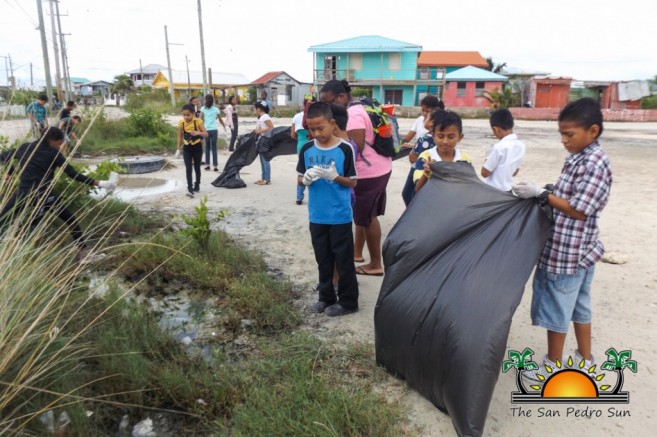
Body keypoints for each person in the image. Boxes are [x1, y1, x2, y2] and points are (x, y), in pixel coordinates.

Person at [513, 98, 612, 381]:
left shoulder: (594, 162)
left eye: (569, 134)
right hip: (584, 250)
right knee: (580, 305)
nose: (564, 140)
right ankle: (585, 358)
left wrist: (541, 195)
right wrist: (547, 189)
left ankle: (551, 368)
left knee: (557, 308)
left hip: (569, 252)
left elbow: (579, 210)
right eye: (562, 134)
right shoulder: (580, 156)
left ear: (592, 131)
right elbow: (570, 193)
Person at [0, 127, 116, 256]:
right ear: (51, 140)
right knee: (70, 220)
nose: (60, 147)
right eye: (59, 143)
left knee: (4, 218)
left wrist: (9, 173)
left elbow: (3, 156)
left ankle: (12, 249)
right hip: (45, 195)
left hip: (23, 194)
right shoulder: (53, 153)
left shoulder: (24, 147)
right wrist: (100, 183)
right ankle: (83, 254)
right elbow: (72, 174)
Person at [320, 79, 391, 276]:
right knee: (363, 215)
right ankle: (357, 254)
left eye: (328, 102)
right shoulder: (358, 109)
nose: (326, 107)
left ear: (341, 97)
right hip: (378, 167)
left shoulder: (353, 115)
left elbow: (354, 148)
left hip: (369, 173)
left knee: (367, 217)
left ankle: (376, 264)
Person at [297, 102, 358, 317]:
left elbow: (352, 182)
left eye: (320, 128)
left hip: (339, 216)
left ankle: (349, 302)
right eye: (311, 129)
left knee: (343, 260)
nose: (316, 133)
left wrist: (335, 177)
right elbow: (299, 177)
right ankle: (325, 298)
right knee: (322, 259)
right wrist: (304, 179)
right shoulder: (306, 149)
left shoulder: (344, 148)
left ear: (332, 124)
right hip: (317, 215)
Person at [413, 111, 472, 193]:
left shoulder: (464, 159)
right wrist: (426, 173)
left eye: (451, 137)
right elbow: (418, 189)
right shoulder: (425, 158)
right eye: (440, 136)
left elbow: (469, 187)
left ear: (460, 137)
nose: (445, 141)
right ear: (433, 136)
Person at [480, 108, 526, 192]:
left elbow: (484, 173)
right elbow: (514, 172)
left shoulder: (499, 147)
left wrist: (487, 157)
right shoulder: (521, 146)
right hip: (508, 190)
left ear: (495, 129)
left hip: (493, 191)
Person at [176, 103, 208, 198]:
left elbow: (206, 134)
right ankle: (190, 188)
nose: (186, 117)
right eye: (184, 115)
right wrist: (178, 149)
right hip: (187, 148)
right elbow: (180, 136)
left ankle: (197, 184)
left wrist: (198, 132)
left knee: (197, 167)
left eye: (188, 114)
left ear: (193, 114)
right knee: (188, 168)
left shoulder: (198, 121)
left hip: (197, 147)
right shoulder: (181, 123)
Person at [291, 101, 311, 204]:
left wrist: (300, 138)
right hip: (312, 145)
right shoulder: (315, 115)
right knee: (312, 170)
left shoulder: (296, 116)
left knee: (301, 170)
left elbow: (292, 135)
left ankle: (299, 197)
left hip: (301, 145)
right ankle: (313, 196)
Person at [200, 94, 226, 172]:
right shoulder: (216, 109)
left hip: (206, 130)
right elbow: (220, 119)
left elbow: (199, 119)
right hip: (214, 130)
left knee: (207, 147)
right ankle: (215, 166)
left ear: (205, 100)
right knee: (214, 148)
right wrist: (224, 125)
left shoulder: (203, 109)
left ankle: (207, 165)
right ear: (213, 101)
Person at [253, 100, 274, 185]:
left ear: (259, 109)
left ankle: (267, 179)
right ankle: (263, 178)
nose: (255, 110)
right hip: (261, 140)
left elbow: (271, 127)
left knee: (265, 159)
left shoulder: (265, 117)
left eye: (256, 108)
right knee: (262, 160)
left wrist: (260, 131)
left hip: (266, 140)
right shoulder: (261, 117)